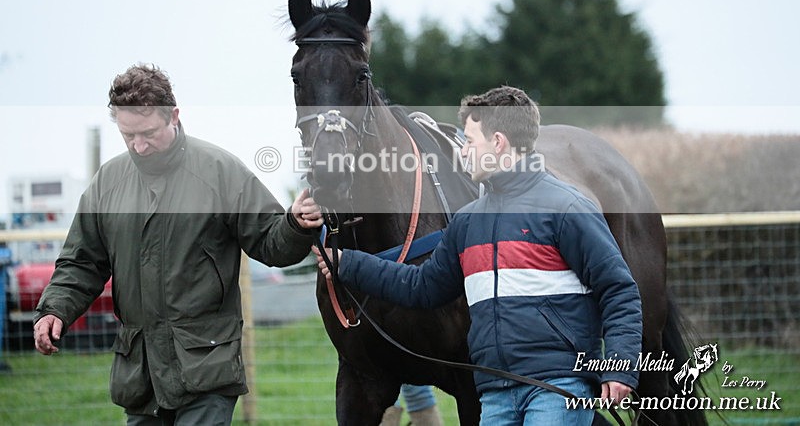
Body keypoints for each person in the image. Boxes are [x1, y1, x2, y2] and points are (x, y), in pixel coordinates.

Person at [315, 85, 642, 425]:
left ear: (498, 143)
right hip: (496, 394)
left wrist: (620, 367)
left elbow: (617, 289)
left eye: (470, 141)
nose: (463, 151)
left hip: (556, 387)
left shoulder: (568, 208)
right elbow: (422, 286)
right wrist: (347, 263)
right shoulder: (468, 221)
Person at [33, 64, 323, 425]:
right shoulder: (107, 183)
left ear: (174, 115)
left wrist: (294, 224)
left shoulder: (219, 171)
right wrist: (55, 310)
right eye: (128, 135)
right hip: (141, 376)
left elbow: (270, 242)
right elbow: (81, 262)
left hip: (207, 368)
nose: (139, 146)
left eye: (148, 133)